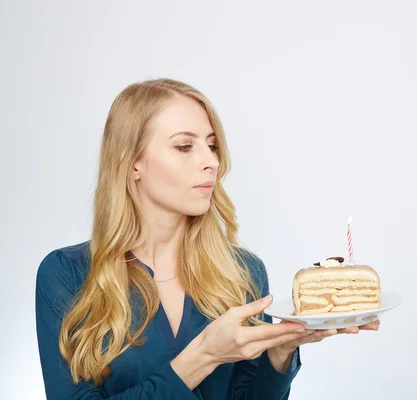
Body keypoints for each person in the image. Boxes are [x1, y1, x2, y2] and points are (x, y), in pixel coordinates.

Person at [35, 78, 380, 399]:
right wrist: (202, 356)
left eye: (212, 146)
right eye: (185, 146)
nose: (211, 162)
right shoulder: (67, 274)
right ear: (132, 162)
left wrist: (279, 351)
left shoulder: (242, 271)